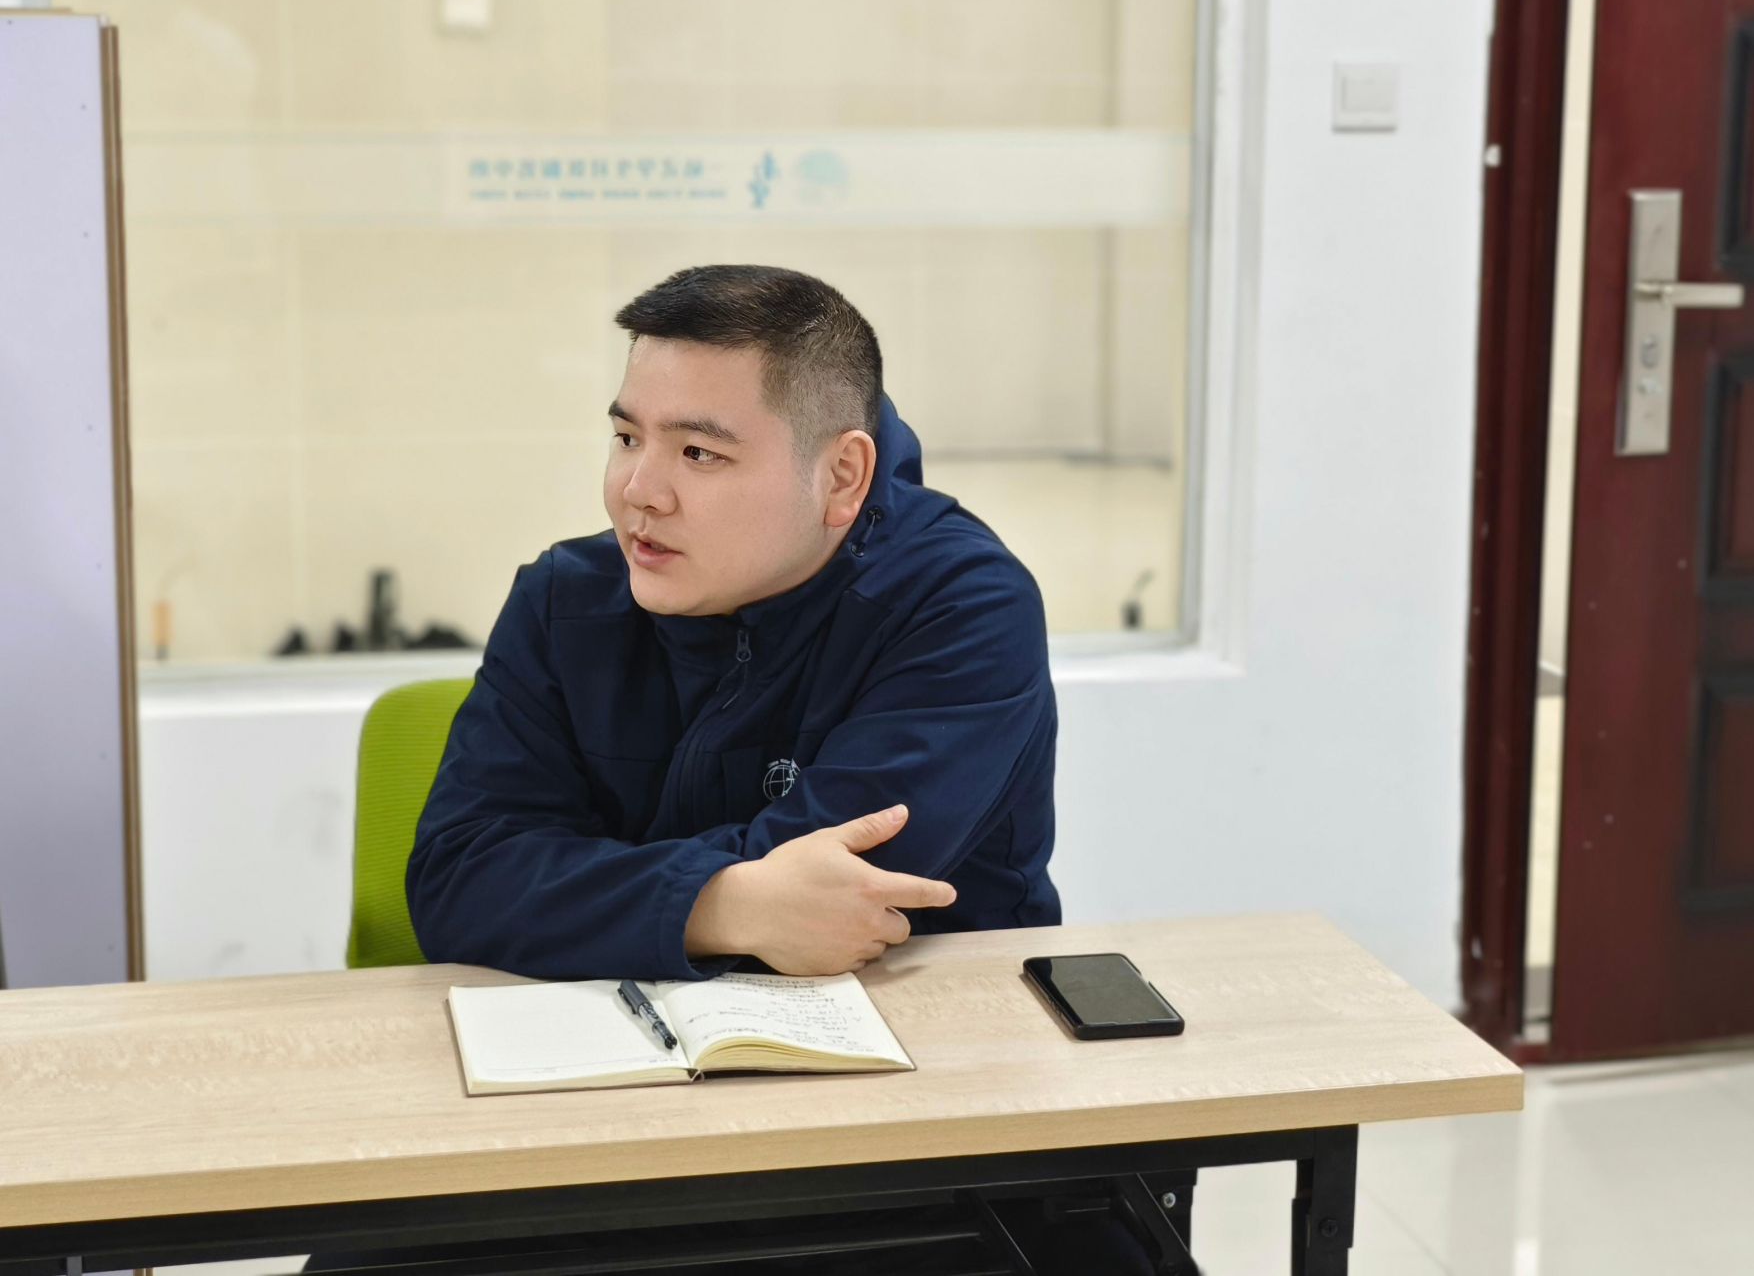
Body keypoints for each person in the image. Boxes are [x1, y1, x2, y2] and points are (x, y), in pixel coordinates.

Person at [305, 266, 1163, 1274]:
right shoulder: (565, 598)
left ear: (841, 476)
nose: (639, 489)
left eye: (699, 452)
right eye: (627, 437)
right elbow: (458, 876)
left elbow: (841, 898)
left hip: (911, 1142)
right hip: (597, 1126)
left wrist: (596, 889)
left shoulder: (960, 603)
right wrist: (726, 901)